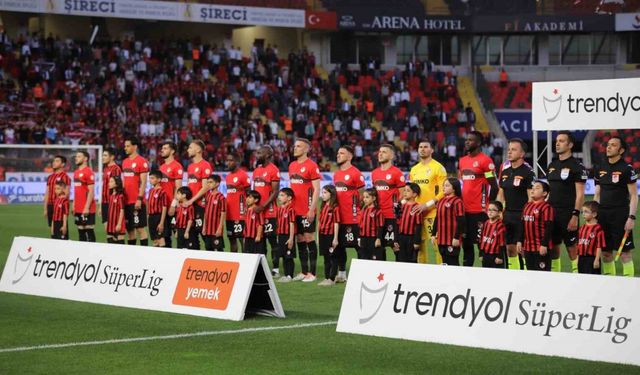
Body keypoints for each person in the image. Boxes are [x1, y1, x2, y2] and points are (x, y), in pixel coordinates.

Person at [594, 136, 638, 277]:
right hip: (602, 215)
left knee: (625, 253)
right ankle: (609, 283)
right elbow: (597, 194)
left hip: (620, 214)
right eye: (608, 144)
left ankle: (629, 284)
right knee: (606, 252)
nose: (608, 147)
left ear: (621, 150)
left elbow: (634, 196)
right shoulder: (600, 167)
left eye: (613, 145)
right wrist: (594, 214)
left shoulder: (627, 169)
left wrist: (631, 217)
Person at [546, 131, 587, 273]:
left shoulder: (577, 166)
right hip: (551, 213)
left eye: (562, 141)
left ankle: (578, 277)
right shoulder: (552, 165)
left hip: (568, 213)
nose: (557, 143)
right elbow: (550, 191)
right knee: (553, 247)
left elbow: (581, 194)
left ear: (570, 145)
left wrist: (575, 215)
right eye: (557, 140)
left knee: (572, 248)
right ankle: (555, 278)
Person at [458, 131, 498, 267]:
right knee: (467, 246)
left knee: (483, 247)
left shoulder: (485, 161)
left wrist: (488, 205)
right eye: (466, 139)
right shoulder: (462, 161)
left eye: (470, 140)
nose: (467, 142)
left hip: (480, 212)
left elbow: (494, 186)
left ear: (479, 143)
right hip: (464, 212)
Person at [497, 138, 534, 270]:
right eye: (509, 149)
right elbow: (501, 194)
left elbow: (531, 197)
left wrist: (526, 216)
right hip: (508, 215)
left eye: (513, 149)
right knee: (510, 248)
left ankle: (526, 274)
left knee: (522, 249)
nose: (509, 152)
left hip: (522, 216)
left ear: (522, 154)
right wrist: (498, 211)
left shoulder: (528, 172)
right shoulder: (505, 172)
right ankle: (514, 276)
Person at [410, 139, 447, 265]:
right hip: (417, 213)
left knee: (436, 244)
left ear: (431, 150)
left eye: (426, 147)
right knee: (418, 245)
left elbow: (443, 191)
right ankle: (422, 273)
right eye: (420, 147)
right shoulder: (414, 169)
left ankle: (441, 272)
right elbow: (412, 191)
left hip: (432, 213)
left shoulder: (438, 168)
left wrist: (427, 205)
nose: (422, 149)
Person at [288, 138, 321, 282]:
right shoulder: (292, 165)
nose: (295, 148)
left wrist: (312, 209)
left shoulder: (312, 166)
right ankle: (303, 271)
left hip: (306, 210)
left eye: (299, 146)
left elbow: (316, 189)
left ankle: (312, 274)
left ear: (306, 149)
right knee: (299, 239)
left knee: (309, 238)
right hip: (294, 210)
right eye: (295, 146)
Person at [333, 145, 365, 281]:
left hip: (353, 219)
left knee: (359, 247)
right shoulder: (336, 174)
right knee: (340, 247)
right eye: (338, 153)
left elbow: (363, 196)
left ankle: (362, 274)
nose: (338, 155)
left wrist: (355, 210)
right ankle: (342, 273)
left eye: (342, 153)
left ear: (350, 156)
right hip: (339, 219)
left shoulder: (356, 173)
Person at [371, 144, 406, 260]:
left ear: (391, 155)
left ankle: (400, 275)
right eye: (379, 152)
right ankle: (381, 276)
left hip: (392, 217)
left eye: (384, 152)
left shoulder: (397, 173)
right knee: (378, 247)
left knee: (397, 247)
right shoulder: (374, 173)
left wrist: (396, 207)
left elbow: (403, 193)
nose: (380, 154)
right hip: (378, 217)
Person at [253, 146, 281, 277]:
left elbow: (275, 192)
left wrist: (263, 206)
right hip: (257, 212)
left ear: (268, 154)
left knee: (272, 241)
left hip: (269, 212)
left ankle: (275, 269)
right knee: (260, 242)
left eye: (260, 153)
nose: (257, 155)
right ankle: (263, 269)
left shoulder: (274, 170)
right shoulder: (256, 170)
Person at [518, 180, 554, 271]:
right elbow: (522, 225)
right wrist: (519, 241)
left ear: (545, 193)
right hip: (528, 247)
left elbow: (549, 227)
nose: (533, 190)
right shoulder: (527, 206)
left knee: (542, 275)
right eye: (532, 188)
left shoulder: (547, 207)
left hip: (540, 247)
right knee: (530, 273)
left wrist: (544, 244)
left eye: (537, 188)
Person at [185, 140, 213, 249]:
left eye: (190, 147)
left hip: (201, 206)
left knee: (205, 235)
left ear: (198, 150)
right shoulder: (190, 166)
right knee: (192, 238)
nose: (188, 150)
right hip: (191, 206)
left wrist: (192, 200)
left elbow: (206, 187)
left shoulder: (205, 165)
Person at [431, 178, 465, 266]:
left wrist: (456, 237)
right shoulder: (441, 201)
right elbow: (437, 218)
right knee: (445, 263)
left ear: (454, 188)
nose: (443, 187)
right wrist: (433, 234)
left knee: (453, 263)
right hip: (441, 240)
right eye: (443, 185)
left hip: (452, 240)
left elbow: (461, 221)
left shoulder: (457, 201)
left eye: (447, 185)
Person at [122, 136, 149, 246]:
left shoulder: (142, 161)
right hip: (126, 201)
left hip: (136, 201)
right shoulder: (124, 162)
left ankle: (144, 253)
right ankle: (131, 255)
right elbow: (125, 181)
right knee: (130, 230)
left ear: (135, 147)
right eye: (125, 146)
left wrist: (139, 199)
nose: (125, 148)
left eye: (128, 146)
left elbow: (143, 182)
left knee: (140, 229)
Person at [159, 141, 183, 248]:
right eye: (162, 148)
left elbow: (178, 188)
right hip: (162, 207)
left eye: (165, 148)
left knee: (177, 234)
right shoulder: (161, 167)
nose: (162, 150)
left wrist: (174, 204)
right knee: (165, 235)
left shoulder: (177, 166)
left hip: (172, 207)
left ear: (172, 151)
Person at [225, 152, 251, 252]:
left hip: (240, 213)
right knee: (231, 239)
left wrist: (247, 209)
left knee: (242, 238)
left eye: (230, 160)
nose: (228, 163)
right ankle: (235, 261)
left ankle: (245, 261)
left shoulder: (243, 175)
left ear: (237, 162)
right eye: (227, 160)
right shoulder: (227, 177)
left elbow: (249, 194)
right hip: (229, 214)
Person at [394, 183, 423, 263]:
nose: (405, 193)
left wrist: (417, 242)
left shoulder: (417, 207)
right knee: (399, 260)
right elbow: (397, 223)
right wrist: (395, 240)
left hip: (411, 238)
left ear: (414, 194)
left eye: (408, 191)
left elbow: (418, 225)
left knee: (411, 261)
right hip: (400, 238)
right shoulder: (400, 206)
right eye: (404, 191)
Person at [318, 185, 340, 286]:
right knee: (326, 257)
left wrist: (335, 238)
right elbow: (319, 221)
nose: (323, 195)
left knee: (333, 257)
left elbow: (336, 222)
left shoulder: (335, 207)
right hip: (322, 234)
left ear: (331, 194)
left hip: (330, 235)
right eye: (322, 193)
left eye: (325, 193)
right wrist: (318, 237)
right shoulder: (323, 206)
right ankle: (327, 277)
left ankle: (332, 278)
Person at [73, 151, 96, 242]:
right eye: (76, 156)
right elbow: (76, 191)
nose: (76, 158)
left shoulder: (88, 172)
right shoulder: (76, 172)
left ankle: (92, 253)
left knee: (89, 231)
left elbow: (91, 191)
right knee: (80, 231)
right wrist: (74, 204)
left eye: (79, 156)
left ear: (85, 159)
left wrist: (86, 208)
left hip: (87, 208)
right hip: (78, 208)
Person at [577, 201, 605, 275]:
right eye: (582, 212)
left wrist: (596, 260)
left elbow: (599, 246)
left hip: (592, 258)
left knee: (593, 280)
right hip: (582, 258)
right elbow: (579, 245)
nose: (583, 214)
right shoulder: (581, 228)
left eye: (586, 212)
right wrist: (577, 258)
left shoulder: (598, 229)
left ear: (594, 214)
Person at [44, 155, 70, 229]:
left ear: (63, 164)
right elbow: (47, 193)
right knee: (52, 229)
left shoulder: (65, 177)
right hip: (50, 205)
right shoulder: (50, 177)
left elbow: (67, 193)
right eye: (54, 161)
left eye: (57, 161)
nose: (54, 163)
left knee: (61, 229)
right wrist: (45, 208)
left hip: (59, 206)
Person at [276, 188, 296, 282]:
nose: (279, 197)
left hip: (288, 235)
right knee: (283, 256)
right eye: (279, 195)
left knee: (289, 256)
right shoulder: (279, 209)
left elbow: (292, 224)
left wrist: (291, 238)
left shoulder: (291, 210)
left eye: (282, 195)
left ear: (289, 198)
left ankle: (290, 275)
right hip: (281, 235)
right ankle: (285, 274)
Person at [479, 201, 506, 269]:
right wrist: (481, 253)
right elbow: (482, 239)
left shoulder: (500, 226)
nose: (490, 212)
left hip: (495, 256)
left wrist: (499, 257)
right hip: (485, 255)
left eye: (493, 210)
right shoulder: (486, 223)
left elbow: (502, 243)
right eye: (489, 210)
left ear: (499, 213)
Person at [358, 188, 384, 260]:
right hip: (364, 239)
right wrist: (359, 238)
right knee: (364, 259)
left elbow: (380, 226)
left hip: (373, 239)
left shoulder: (378, 211)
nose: (364, 199)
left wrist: (378, 238)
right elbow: (361, 225)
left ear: (374, 198)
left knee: (374, 259)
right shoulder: (364, 210)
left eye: (367, 197)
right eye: (364, 197)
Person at [202, 174, 226, 252]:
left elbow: (223, 213)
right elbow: (205, 212)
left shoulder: (221, 197)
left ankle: (222, 264)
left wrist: (220, 228)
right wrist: (204, 227)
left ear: (217, 184)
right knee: (208, 249)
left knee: (219, 250)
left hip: (216, 229)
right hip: (208, 229)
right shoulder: (208, 196)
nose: (209, 184)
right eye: (208, 182)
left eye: (211, 182)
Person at [100, 148, 121, 232]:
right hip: (104, 203)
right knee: (107, 229)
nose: (102, 157)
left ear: (112, 157)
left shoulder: (116, 169)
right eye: (102, 155)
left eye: (105, 155)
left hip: (112, 202)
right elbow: (104, 187)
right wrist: (101, 206)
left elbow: (117, 187)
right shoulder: (105, 169)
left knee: (113, 230)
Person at [147, 170, 168, 247]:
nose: (150, 180)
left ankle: (163, 257)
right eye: (149, 178)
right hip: (151, 217)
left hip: (158, 217)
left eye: (152, 178)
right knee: (154, 240)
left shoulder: (162, 192)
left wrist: (162, 222)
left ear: (159, 179)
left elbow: (164, 207)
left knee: (161, 239)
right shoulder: (150, 191)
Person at [106, 176, 126, 244]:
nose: (109, 183)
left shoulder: (120, 196)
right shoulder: (111, 195)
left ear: (117, 184)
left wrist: (119, 224)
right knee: (110, 240)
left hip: (118, 222)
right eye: (109, 181)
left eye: (111, 181)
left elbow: (122, 210)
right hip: (111, 223)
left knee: (120, 242)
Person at [243, 190, 265, 254]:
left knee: (256, 255)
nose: (247, 199)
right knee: (248, 254)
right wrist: (245, 237)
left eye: (250, 197)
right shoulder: (246, 210)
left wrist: (258, 236)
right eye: (247, 197)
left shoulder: (257, 210)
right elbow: (246, 224)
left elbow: (261, 224)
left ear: (256, 200)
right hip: (248, 237)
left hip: (255, 237)